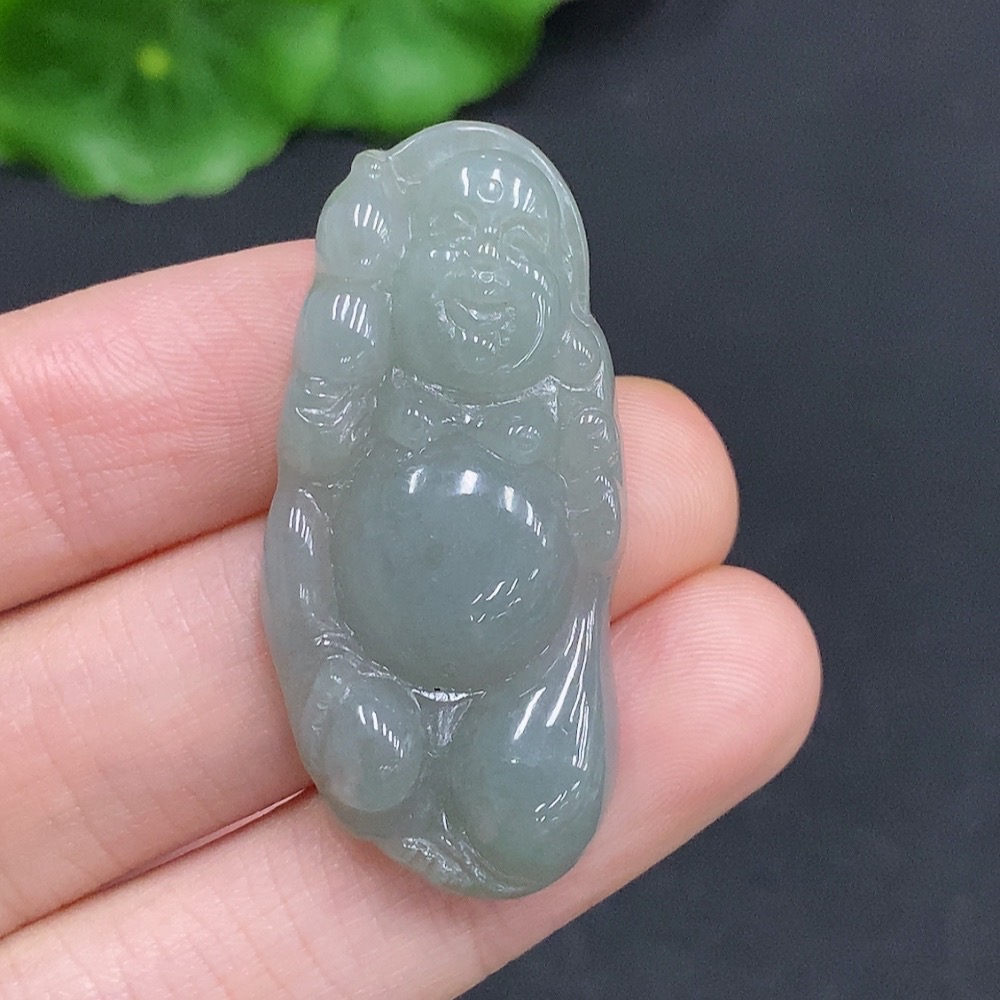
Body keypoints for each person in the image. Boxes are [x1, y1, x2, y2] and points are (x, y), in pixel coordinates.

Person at [0, 242, 820, 997]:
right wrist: (328, 655)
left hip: (520, 672)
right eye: (455, 236)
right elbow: (306, 509)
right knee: (378, 762)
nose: (486, 274)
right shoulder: (363, 373)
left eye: (513, 245)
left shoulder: (561, 393)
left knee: (532, 818)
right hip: (371, 663)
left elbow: (594, 542)